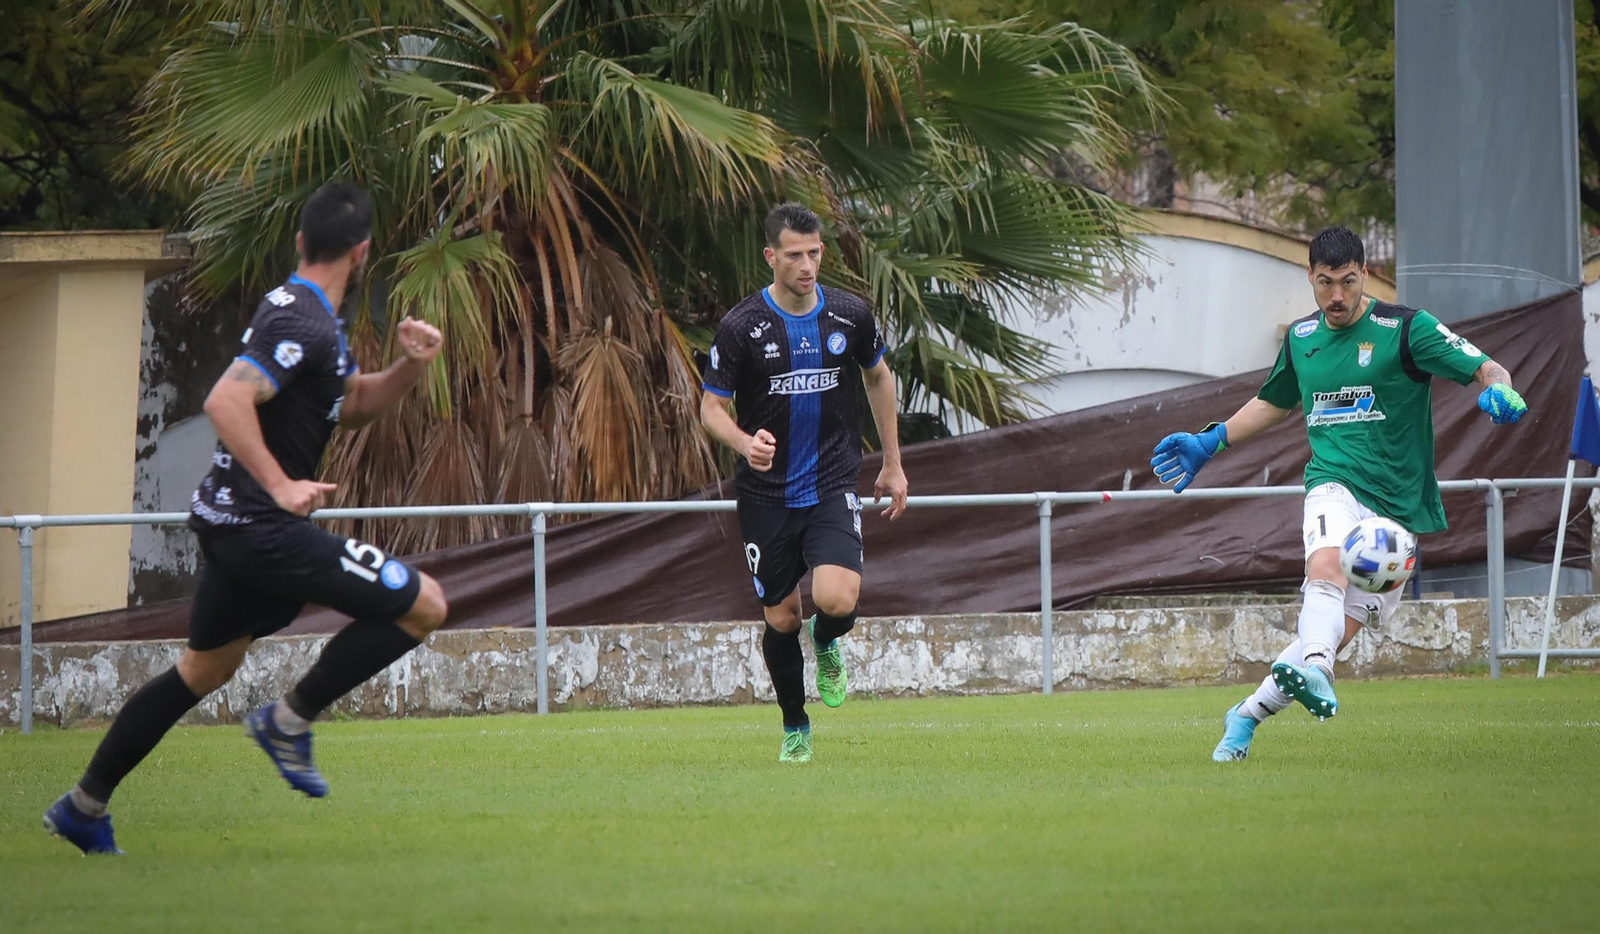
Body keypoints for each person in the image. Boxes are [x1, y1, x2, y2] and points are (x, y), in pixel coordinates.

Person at [44, 182, 450, 854]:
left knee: (204, 670)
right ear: (363, 250)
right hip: (263, 532)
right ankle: (289, 720)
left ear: (299, 242)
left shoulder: (301, 311)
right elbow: (226, 399)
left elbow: (349, 403)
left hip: (231, 526)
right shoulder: (304, 322)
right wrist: (281, 484)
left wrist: (410, 365)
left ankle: (83, 806)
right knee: (425, 605)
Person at [1150, 225, 1528, 762]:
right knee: (1323, 569)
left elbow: (1484, 365)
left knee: (1328, 633)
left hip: (1397, 514)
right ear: (1309, 277)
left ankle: (1246, 715)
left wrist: (1500, 388)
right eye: (1324, 283)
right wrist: (1212, 440)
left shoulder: (1406, 329)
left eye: (1347, 283)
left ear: (1365, 274)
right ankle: (1319, 671)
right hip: (1332, 483)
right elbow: (1274, 402)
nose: (1335, 297)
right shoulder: (1302, 339)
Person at [700, 203, 909, 763]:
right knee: (783, 617)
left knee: (835, 599)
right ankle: (795, 724)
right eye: (794, 255)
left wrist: (892, 463)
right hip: (765, 496)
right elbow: (711, 408)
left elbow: (879, 377)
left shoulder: (848, 315)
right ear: (772, 257)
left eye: (814, 253)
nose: (807, 264)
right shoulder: (743, 326)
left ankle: (828, 640)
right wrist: (745, 443)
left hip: (833, 482)